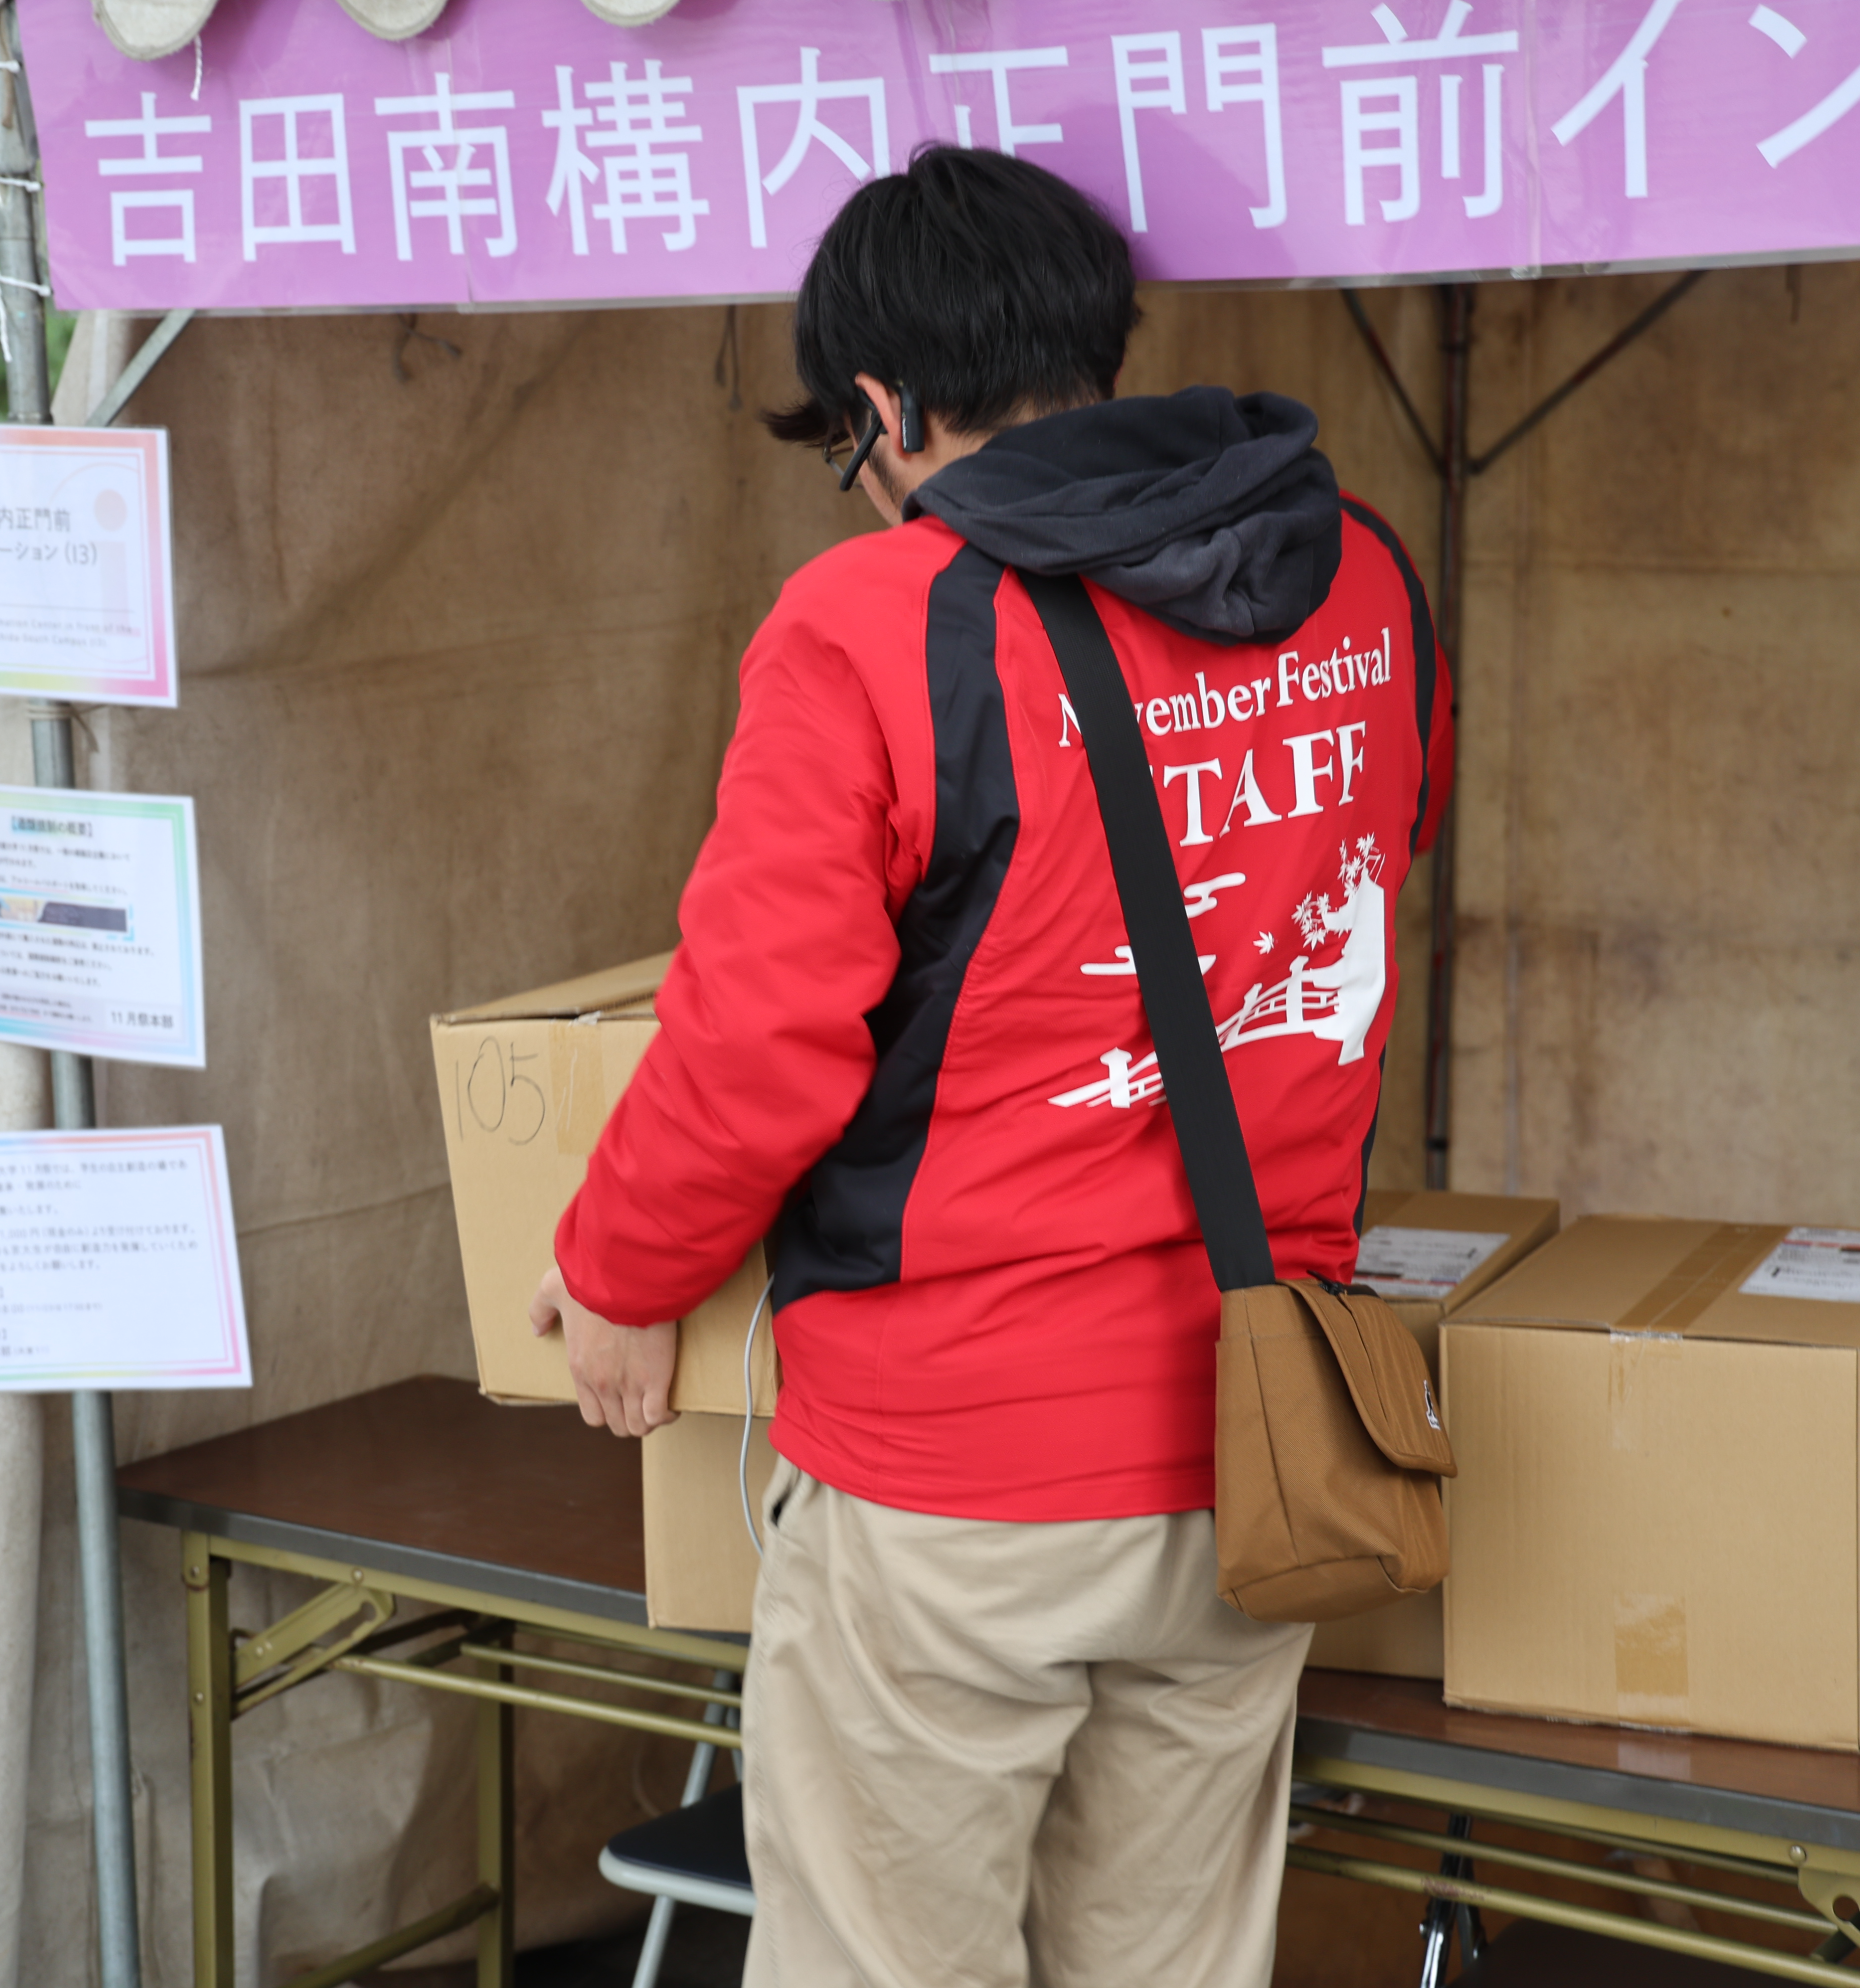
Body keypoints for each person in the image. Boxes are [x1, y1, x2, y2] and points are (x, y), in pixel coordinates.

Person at [530, 145, 1450, 1988]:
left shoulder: (874, 624)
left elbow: (757, 1042)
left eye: (847, 447)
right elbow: (1367, 858)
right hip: (1260, 1440)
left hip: (951, 1470)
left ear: (885, 406)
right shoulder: (1355, 572)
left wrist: (617, 1275)